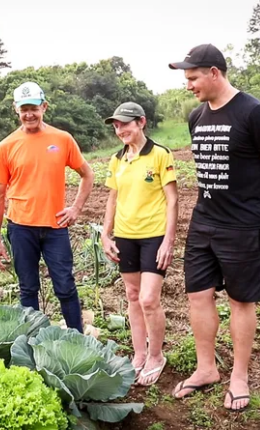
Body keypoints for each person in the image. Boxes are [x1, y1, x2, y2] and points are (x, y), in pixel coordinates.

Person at [167, 44, 260, 411]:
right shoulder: (197, 117)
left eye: (192, 77)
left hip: (243, 225)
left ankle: (239, 376)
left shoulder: (255, 113)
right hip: (204, 220)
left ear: (214, 72)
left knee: (241, 299)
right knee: (198, 294)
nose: (189, 85)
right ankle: (206, 368)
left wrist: (255, 201)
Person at [0, 81, 95, 333]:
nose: (29, 114)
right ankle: (34, 340)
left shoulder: (62, 139)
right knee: (28, 289)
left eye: (34, 108)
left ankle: (76, 339)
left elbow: (87, 174)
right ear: (16, 109)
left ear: (44, 107)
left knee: (66, 286)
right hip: (21, 228)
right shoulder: (6, 146)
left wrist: (75, 209)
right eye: (24, 108)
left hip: (55, 227)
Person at [101, 102, 178, 386]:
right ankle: (139, 353)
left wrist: (169, 240)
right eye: (116, 125)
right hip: (125, 236)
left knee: (148, 299)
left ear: (141, 122)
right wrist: (105, 234)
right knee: (133, 295)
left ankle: (157, 355)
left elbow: (172, 199)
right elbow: (112, 199)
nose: (120, 130)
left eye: (125, 124)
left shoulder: (160, 155)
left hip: (154, 235)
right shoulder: (117, 159)